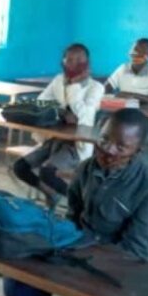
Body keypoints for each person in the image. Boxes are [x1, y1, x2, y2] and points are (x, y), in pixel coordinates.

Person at [4, 108, 148, 296]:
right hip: (77, 251)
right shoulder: (86, 169)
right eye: (104, 140)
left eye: (121, 147)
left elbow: (137, 249)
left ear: (138, 150)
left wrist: (87, 265)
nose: (109, 150)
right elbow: (71, 217)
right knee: (18, 287)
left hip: (117, 265)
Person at [14, 43, 105, 205]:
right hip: (55, 139)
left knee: (47, 171)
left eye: (79, 59)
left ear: (88, 63)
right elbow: (42, 101)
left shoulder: (96, 88)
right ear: (63, 62)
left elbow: (84, 114)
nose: (74, 63)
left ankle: (79, 204)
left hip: (76, 145)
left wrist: (75, 84)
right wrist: (61, 112)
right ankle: (51, 193)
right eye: (69, 59)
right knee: (20, 167)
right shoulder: (58, 80)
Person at [104, 38, 148, 106]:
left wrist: (132, 96)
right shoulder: (123, 68)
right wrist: (114, 98)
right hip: (123, 110)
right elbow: (105, 89)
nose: (137, 53)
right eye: (135, 49)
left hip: (144, 114)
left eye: (142, 51)